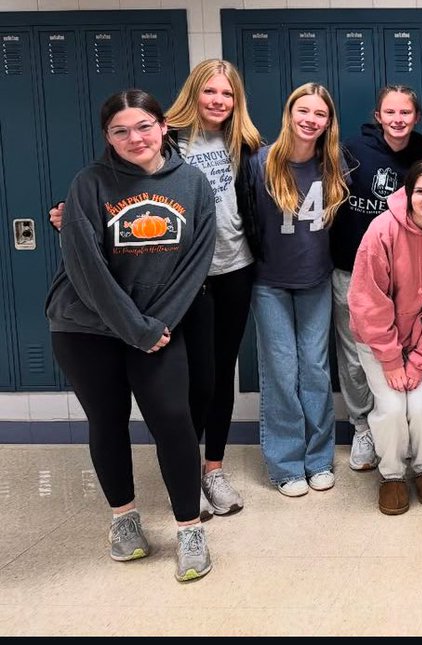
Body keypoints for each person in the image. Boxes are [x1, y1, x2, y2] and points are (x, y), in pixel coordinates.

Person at [49, 59, 264, 519]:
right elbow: (110, 192)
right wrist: (65, 215)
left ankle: (212, 470)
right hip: (172, 280)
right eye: (210, 92)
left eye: (227, 94)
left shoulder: (245, 143)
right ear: (191, 95)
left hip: (231, 268)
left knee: (215, 376)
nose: (218, 101)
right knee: (179, 388)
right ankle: (181, 474)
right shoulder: (160, 135)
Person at [45, 89, 216, 581]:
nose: (134, 137)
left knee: (172, 418)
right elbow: (85, 266)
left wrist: (151, 327)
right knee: (107, 419)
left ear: (163, 127)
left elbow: (194, 265)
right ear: (108, 137)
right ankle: (124, 522)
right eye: (120, 130)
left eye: (143, 126)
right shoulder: (89, 184)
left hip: (156, 327)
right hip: (85, 327)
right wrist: (134, 327)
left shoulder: (192, 183)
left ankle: (189, 530)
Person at [348, 158, 422, 514]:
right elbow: (367, 300)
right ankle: (391, 474)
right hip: (376, 340)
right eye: (420, 191)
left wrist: (417, 361)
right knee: (390, 406)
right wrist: (389, 357)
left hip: (421, 342)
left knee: (418, 406)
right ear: (407, 193)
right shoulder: (382, 230)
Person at [246, 82, 348, 497]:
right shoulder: (260, 163)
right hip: (269, 284)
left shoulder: (333, 165)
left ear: (328, 122)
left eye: (319, 114)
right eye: (303, 111)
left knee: (316, 371)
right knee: (281, 373)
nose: (310, 120)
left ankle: (319, 458)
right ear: (289, 114)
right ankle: (286, 465)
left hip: (315, 281)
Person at [333, 85, 422, 472]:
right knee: (356, 357)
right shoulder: (350, 151)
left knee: (402, 354)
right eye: (390, 112)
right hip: (351, 271)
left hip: (405, 275)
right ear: (378, 116)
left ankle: (398, 428)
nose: (398, 119)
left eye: (405, 112)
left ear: (416, 117)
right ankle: (362, 427)